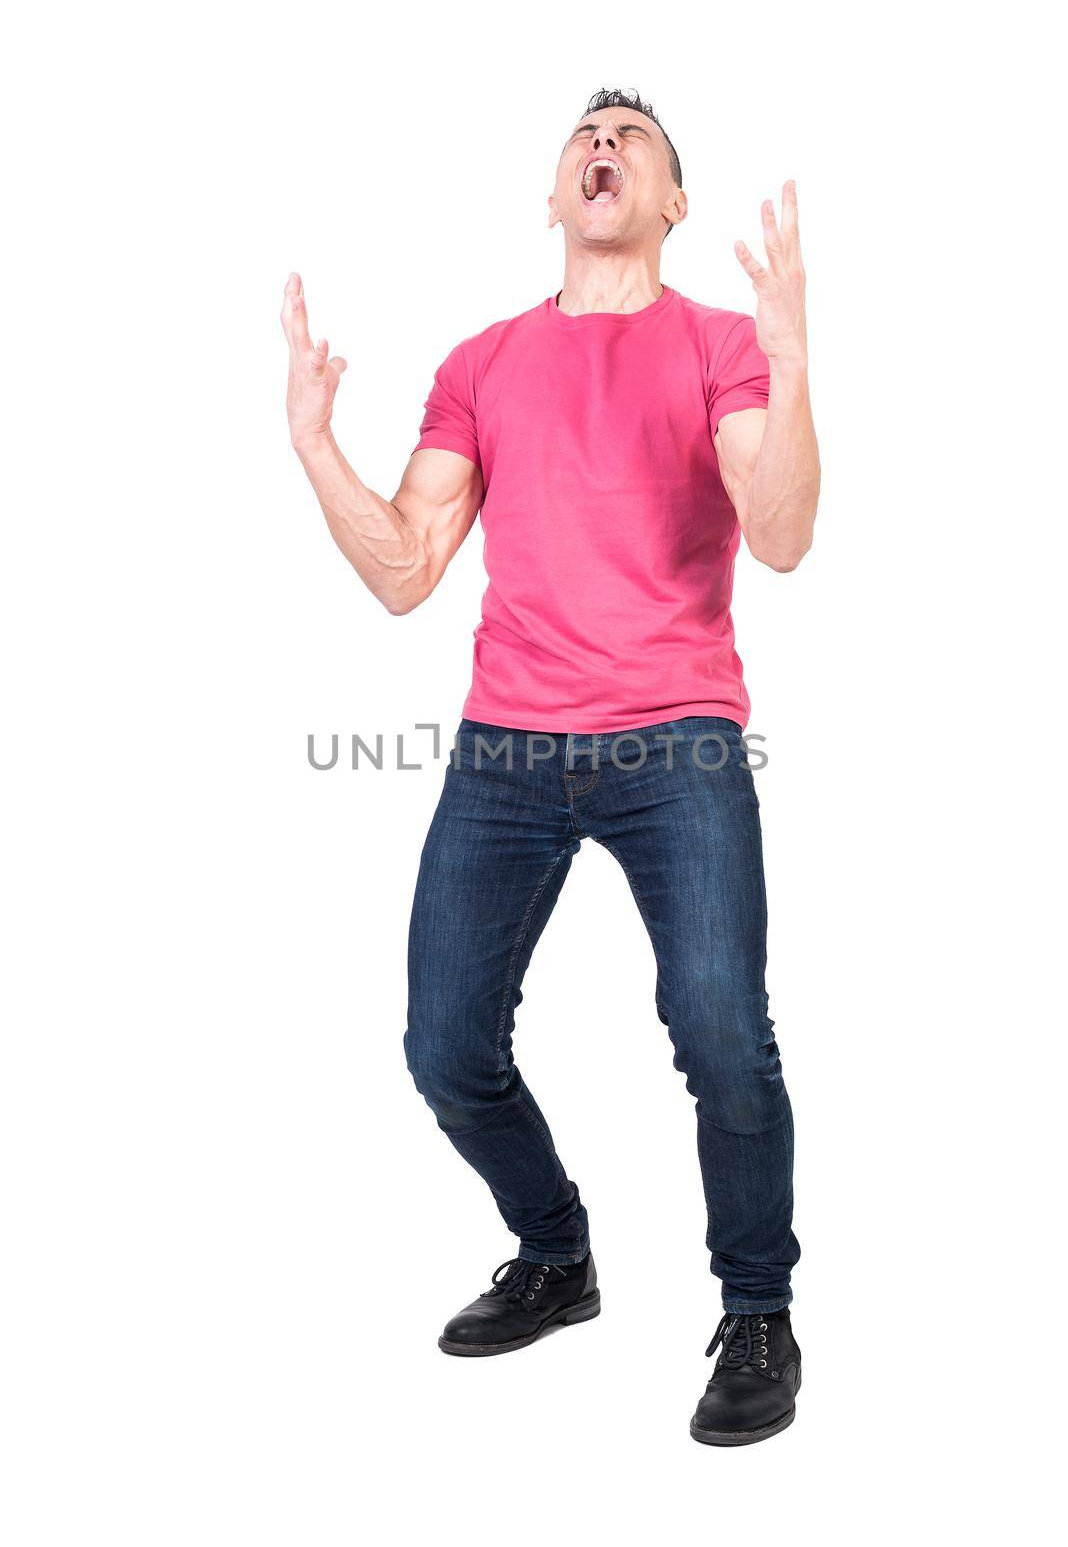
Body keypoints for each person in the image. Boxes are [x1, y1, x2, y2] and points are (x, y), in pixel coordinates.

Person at [280, 87, 820, 1447]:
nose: (603, 144)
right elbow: (406, 567)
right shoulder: (482, 362)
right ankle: (557, 1251)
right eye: (586, 133)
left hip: (675, 737)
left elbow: (785, 533)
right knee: (445, 1046)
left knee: (720, 1034)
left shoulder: (716, 347)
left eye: (633, 137)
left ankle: (759, 1312)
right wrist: (312, 446)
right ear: (551, 196)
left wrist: (795, 367)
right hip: (508, 751)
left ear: (672, 204)